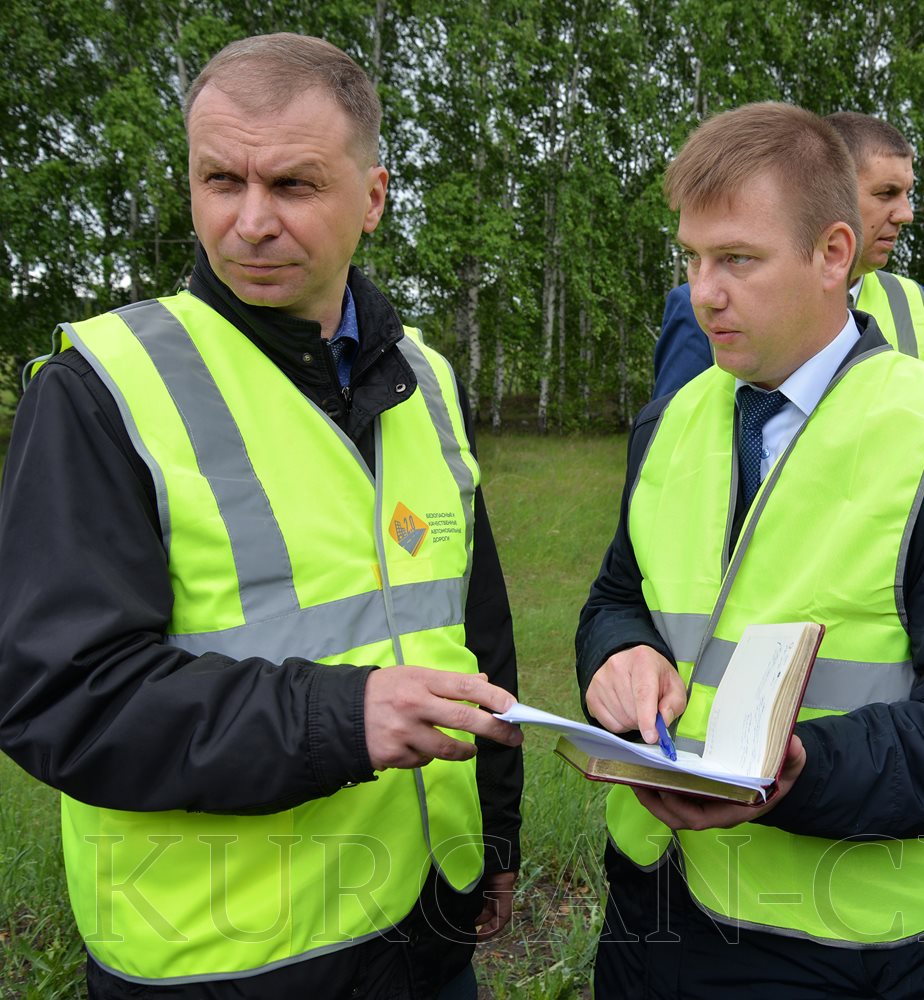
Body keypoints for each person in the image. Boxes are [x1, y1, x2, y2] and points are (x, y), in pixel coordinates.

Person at [0, 33, 525, 998]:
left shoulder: (428, 382)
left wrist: (495, 834)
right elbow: (60, 696)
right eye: (219, 180)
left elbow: (470, 631)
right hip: (224, 957)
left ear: (372, 197)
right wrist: (343, 716)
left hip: (423, 924)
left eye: (292, 185)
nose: (249, 222)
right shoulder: (102, 389)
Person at [576, 101, 924, 999]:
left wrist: (803, 773)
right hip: (648, 907)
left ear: (835, 255)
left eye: (739, 260)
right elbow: (618, 596)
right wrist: (617, 654)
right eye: (693, 257)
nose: (702, 292)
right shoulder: (675, 420)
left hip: (837, 949)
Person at [650, 111, 924, 399]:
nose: (906, 214)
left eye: (908, 193)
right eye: (886, 193)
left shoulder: (919, 304)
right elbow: (674, 429)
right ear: (834, 192)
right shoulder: (697, 304)